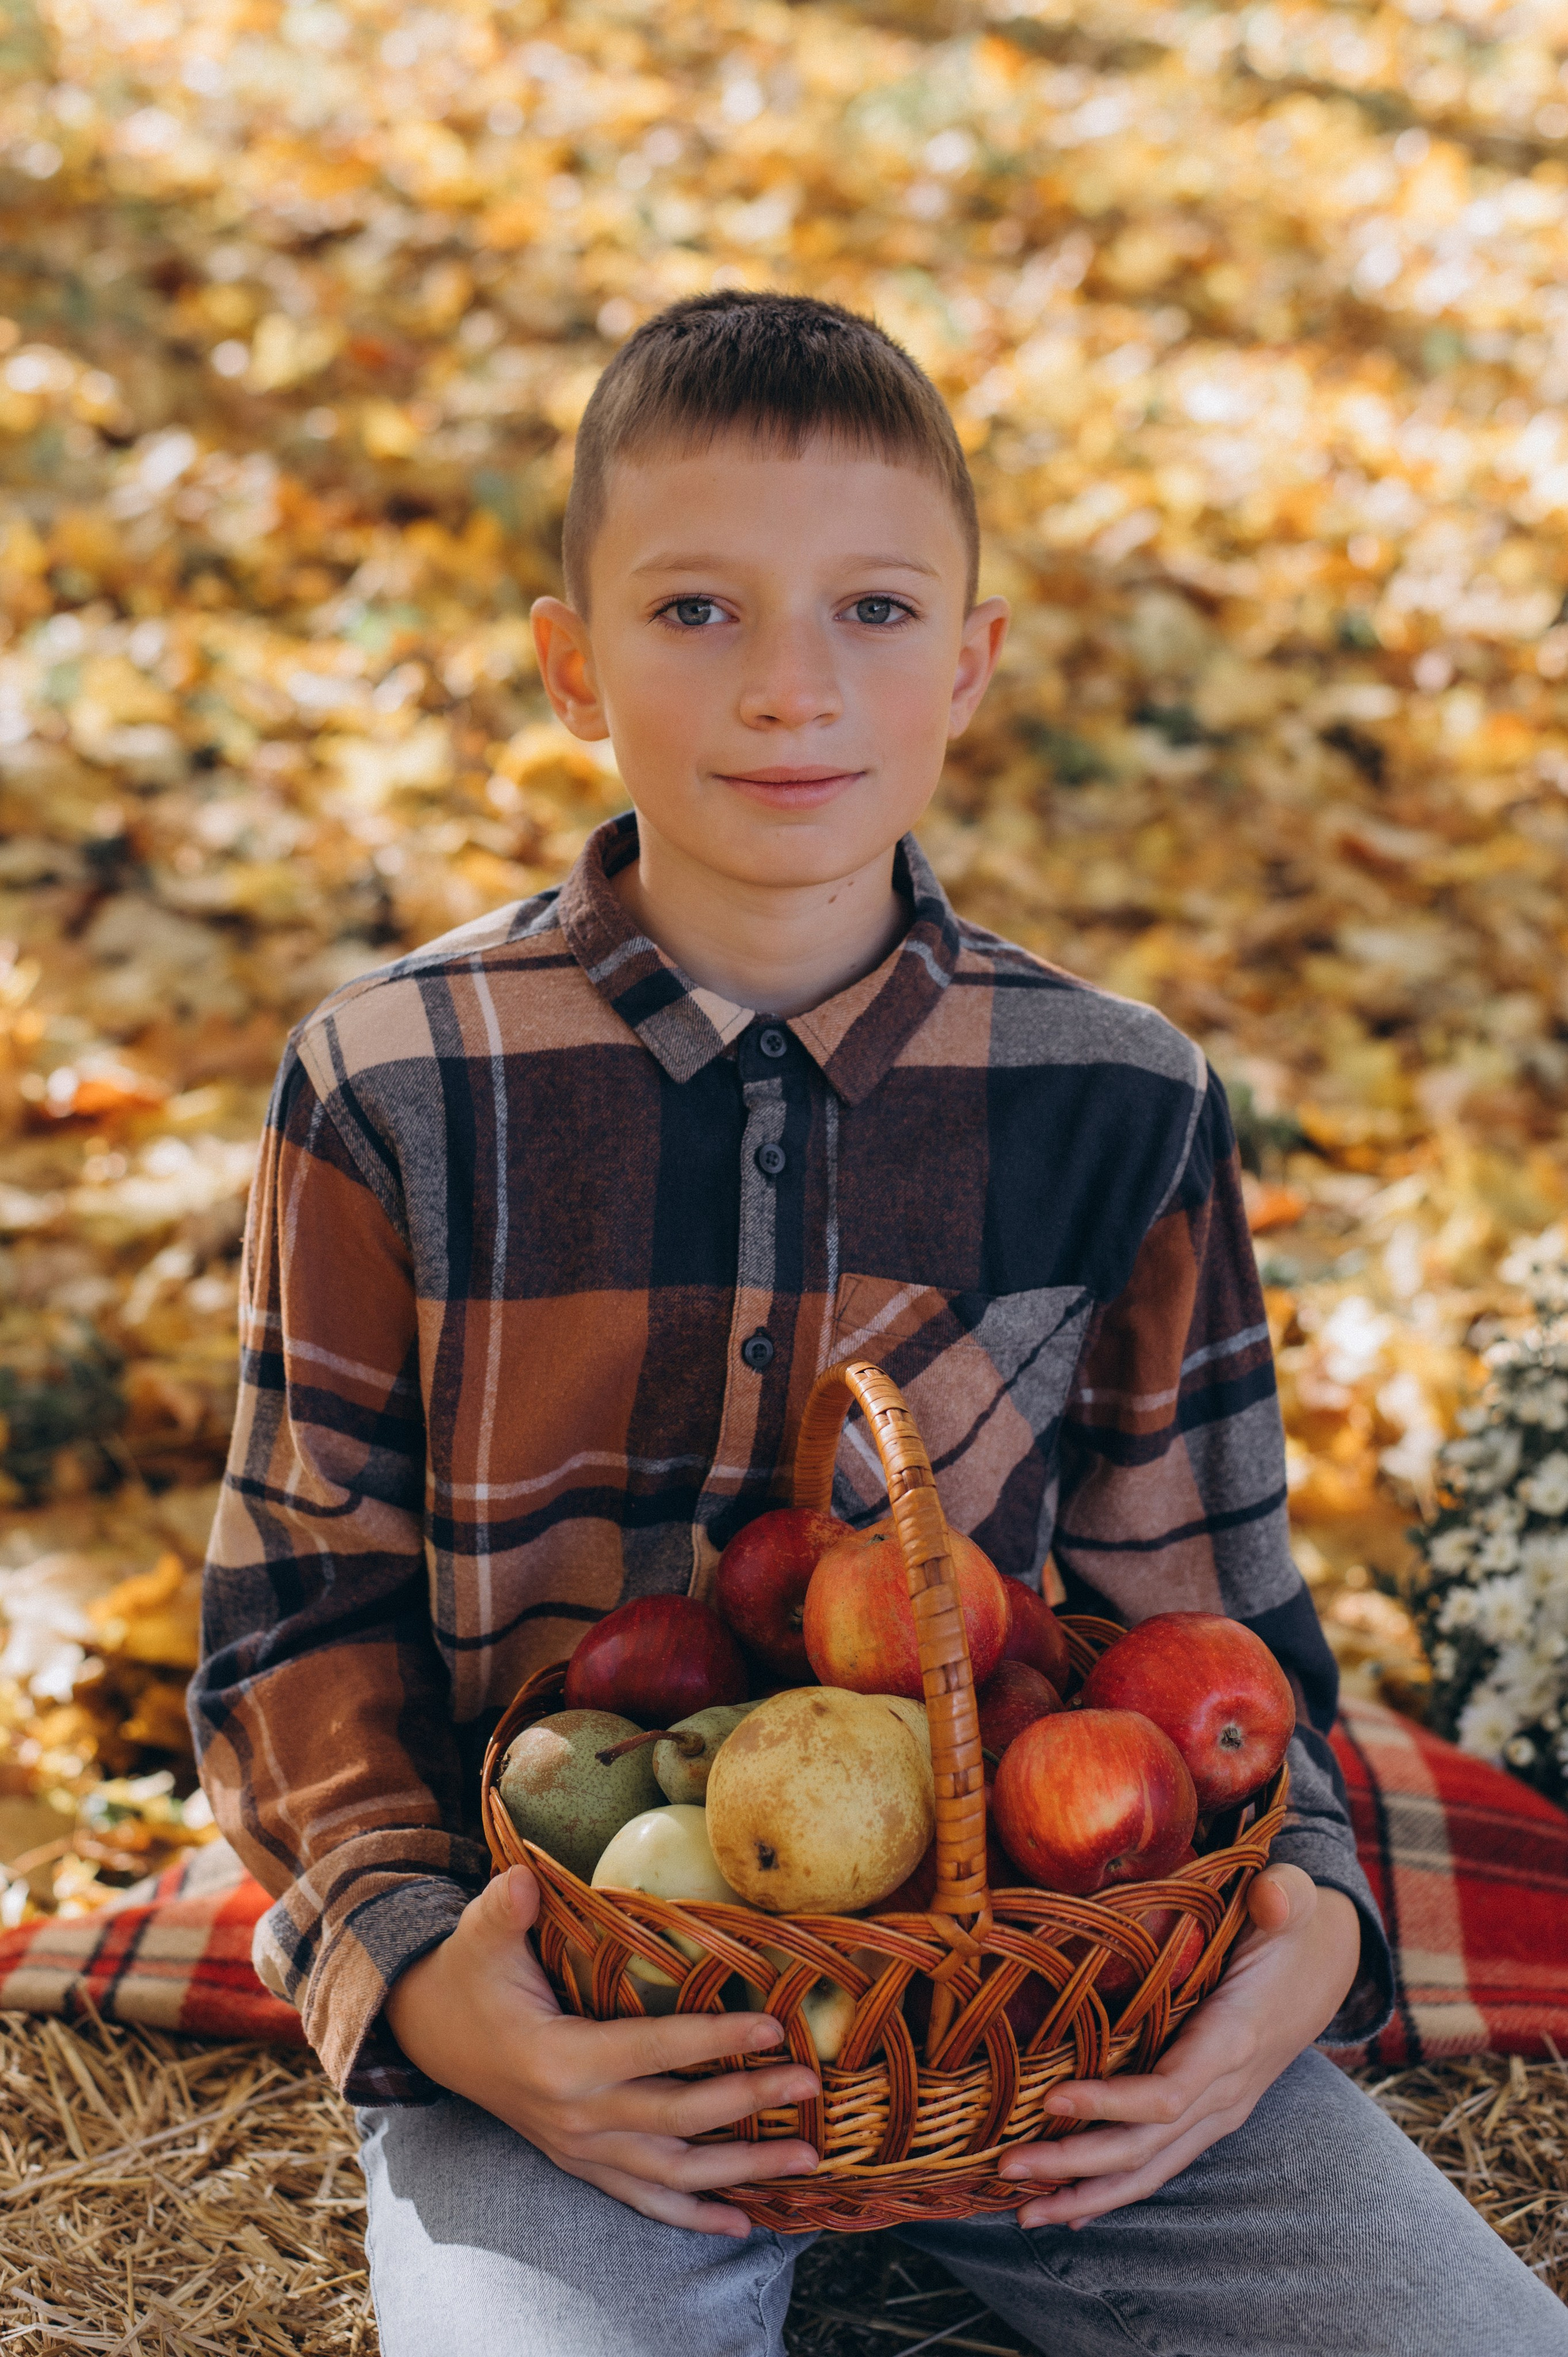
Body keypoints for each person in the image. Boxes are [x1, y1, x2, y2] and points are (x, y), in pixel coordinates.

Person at [190, 293, 1568, 2356]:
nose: (791, 688)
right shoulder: (397, 1085)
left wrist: (1300, 1950)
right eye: (695, 612)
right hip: (597, 2039)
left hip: (1050, 2015)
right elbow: (293, 1617)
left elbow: (1217, 1623)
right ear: (572, 664)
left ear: (973, 662)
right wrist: (423, 1979)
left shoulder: (1117, 1099)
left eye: (875, 608)